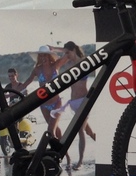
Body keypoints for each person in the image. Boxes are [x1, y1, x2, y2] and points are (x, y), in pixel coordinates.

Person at [56, 41, 97, 169]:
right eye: (65, 53)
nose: (66, 55)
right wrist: (54, 49)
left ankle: (80, 162)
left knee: (80, 130)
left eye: (68, 53)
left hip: (84, 101)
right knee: (89, 132)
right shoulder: (68, 65)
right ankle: (104, 147)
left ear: (73, 50)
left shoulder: (84, 63)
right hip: (73, 103)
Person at [16, 45, 71, 138]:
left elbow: (69, 53)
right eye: (41, 56)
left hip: (56, 103)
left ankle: (57, 146)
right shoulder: (37, 70)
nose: (43, 58)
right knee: (55, 129)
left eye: (45, 55)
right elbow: (25, 84)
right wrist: (9, 94)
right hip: (44, 105)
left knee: (51, 130)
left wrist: (55, 48)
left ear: (49, 56)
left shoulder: (56, 65)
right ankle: (62, 147)